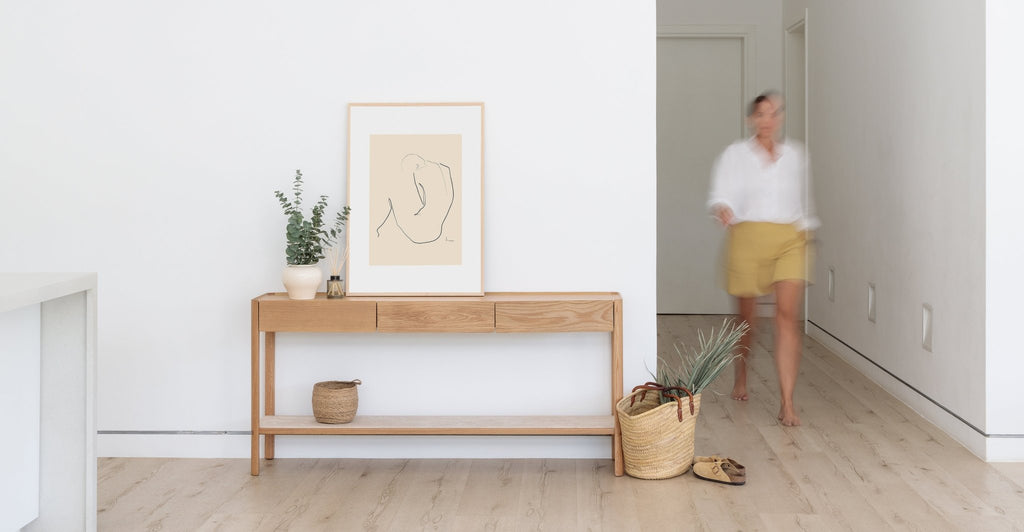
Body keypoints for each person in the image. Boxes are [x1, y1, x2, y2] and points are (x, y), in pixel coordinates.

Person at [707, 90, 818, 426]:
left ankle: (787, 403)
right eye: (762, 114)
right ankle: (741, 373)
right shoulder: (734, 155)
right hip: (747, 236)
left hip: (790, 237)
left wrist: (807, 229)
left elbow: (804, 199)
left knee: (787, 317)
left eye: (775, 113)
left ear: (781, 117)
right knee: (747, 321)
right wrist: (723, 207)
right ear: (751, 120)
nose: (768, 120)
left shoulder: (796, 155)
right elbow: (721, 193)